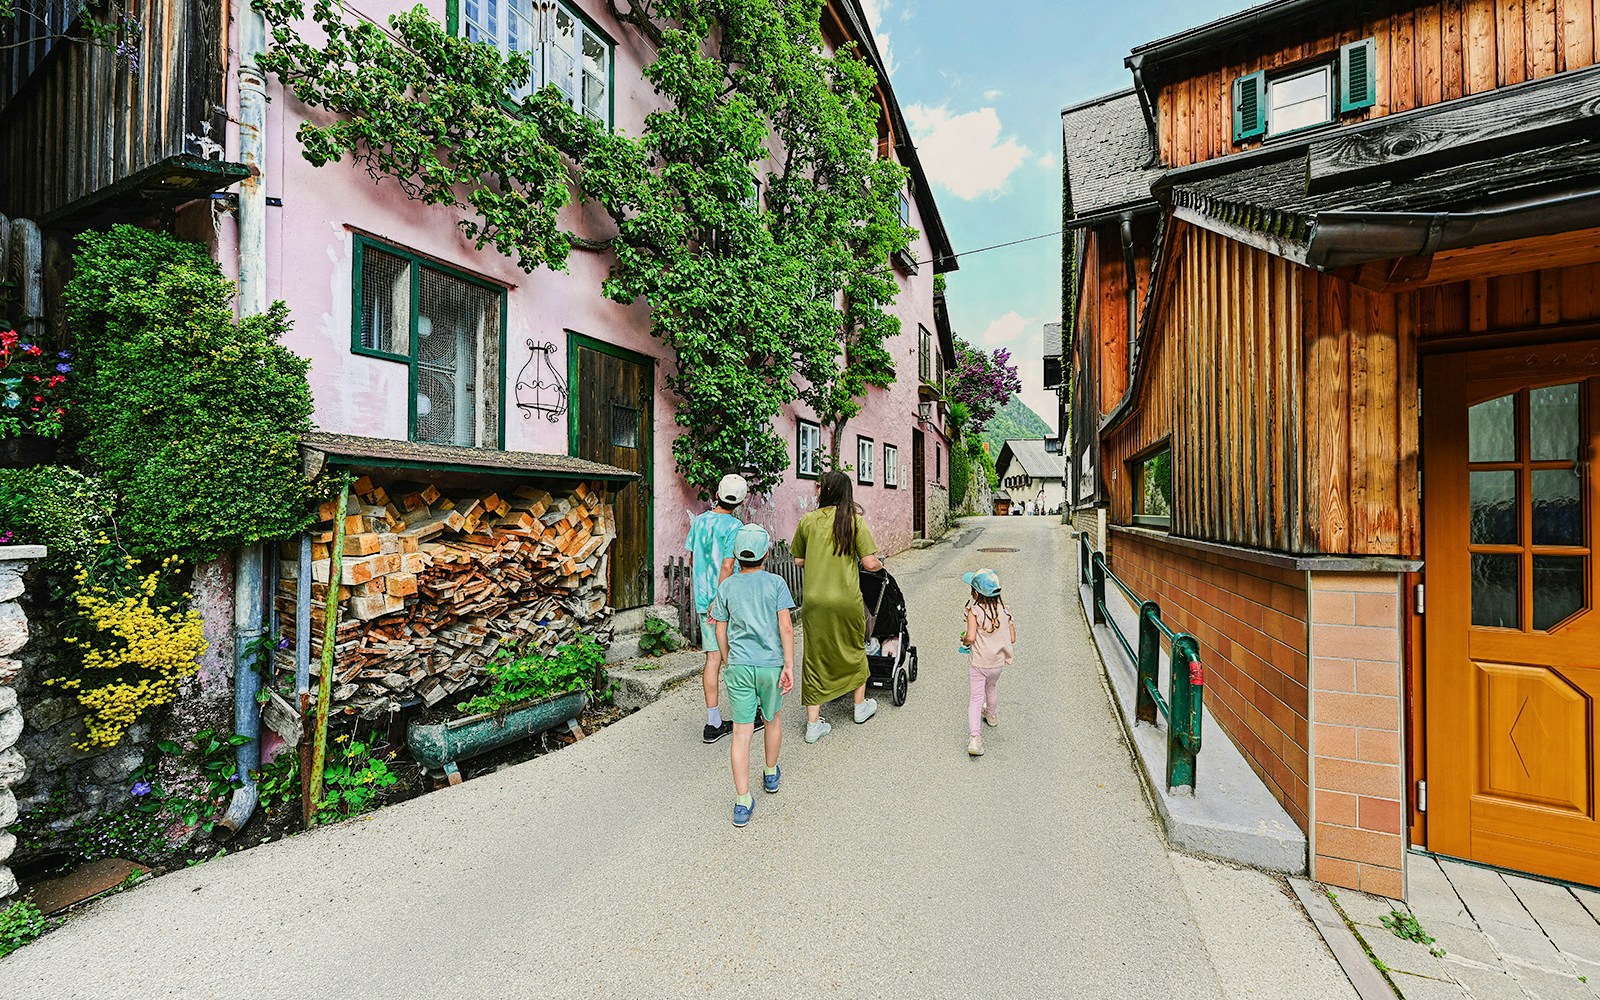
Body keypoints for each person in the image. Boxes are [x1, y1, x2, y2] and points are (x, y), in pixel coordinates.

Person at [709, 523, 795, 828]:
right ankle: (770, 773)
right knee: (773, 719)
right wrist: (788, 664)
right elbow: (785, 626)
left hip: (740, 666)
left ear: (737, 555)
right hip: (771, 665)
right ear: (767, 554)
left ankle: (742, 800)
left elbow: (720, 627)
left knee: (742, 732)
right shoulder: (776, 583)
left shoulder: (727, 586)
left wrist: (728, 657)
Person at [791, 470, 882, 744]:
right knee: (854, 647)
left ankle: (813, 724)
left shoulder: (807, 521)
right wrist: (879, 563)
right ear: (847, 492)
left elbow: (798, 561)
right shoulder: (854, 521)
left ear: (825, 491)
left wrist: (819, 559)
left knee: (814, 655)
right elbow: (869, 563)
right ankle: (859, 707)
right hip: (845, 599)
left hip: (815, 601)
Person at [686, 473, 757, 744]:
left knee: (713, 659)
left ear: (717, 493)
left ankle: (713, 721)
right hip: (726, 601)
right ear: (740, 501)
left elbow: (693, 558)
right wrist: (721, 597)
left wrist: (708, 595)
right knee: (738, 657)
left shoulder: (700, 521)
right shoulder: (736, 527)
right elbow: (728, 565)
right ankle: (747, 713)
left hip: (703, 600)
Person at [961, 567, 1015, 757]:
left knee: (976, 698)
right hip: (997, 663)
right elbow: (1013, 637)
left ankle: (975, 738)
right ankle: (991, 716)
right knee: (991, 688)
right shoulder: (1004, 611)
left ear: (975, 593)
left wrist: (964, 641)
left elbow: (970, 636)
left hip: (979, 663)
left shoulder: (974, 611)